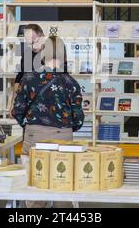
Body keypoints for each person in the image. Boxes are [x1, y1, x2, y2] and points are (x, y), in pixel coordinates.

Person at [11, 36, 84, 207]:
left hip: (34, 136)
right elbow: (78, 117)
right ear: (64, 56)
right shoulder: (71, 83)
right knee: (63, 187)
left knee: (35, 188)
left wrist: (29, 125)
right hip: (63, 138)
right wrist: (66, 127)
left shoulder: (29, 78)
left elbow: (17, 109)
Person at [9, 24, 45, 116]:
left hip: (47, 104)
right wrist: (13, 106)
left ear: (42, 36)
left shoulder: (53, 54)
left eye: (34, 40)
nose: (32, 44)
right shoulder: (28, 53)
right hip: (28, 103)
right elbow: (19, 79)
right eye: (29, 41)